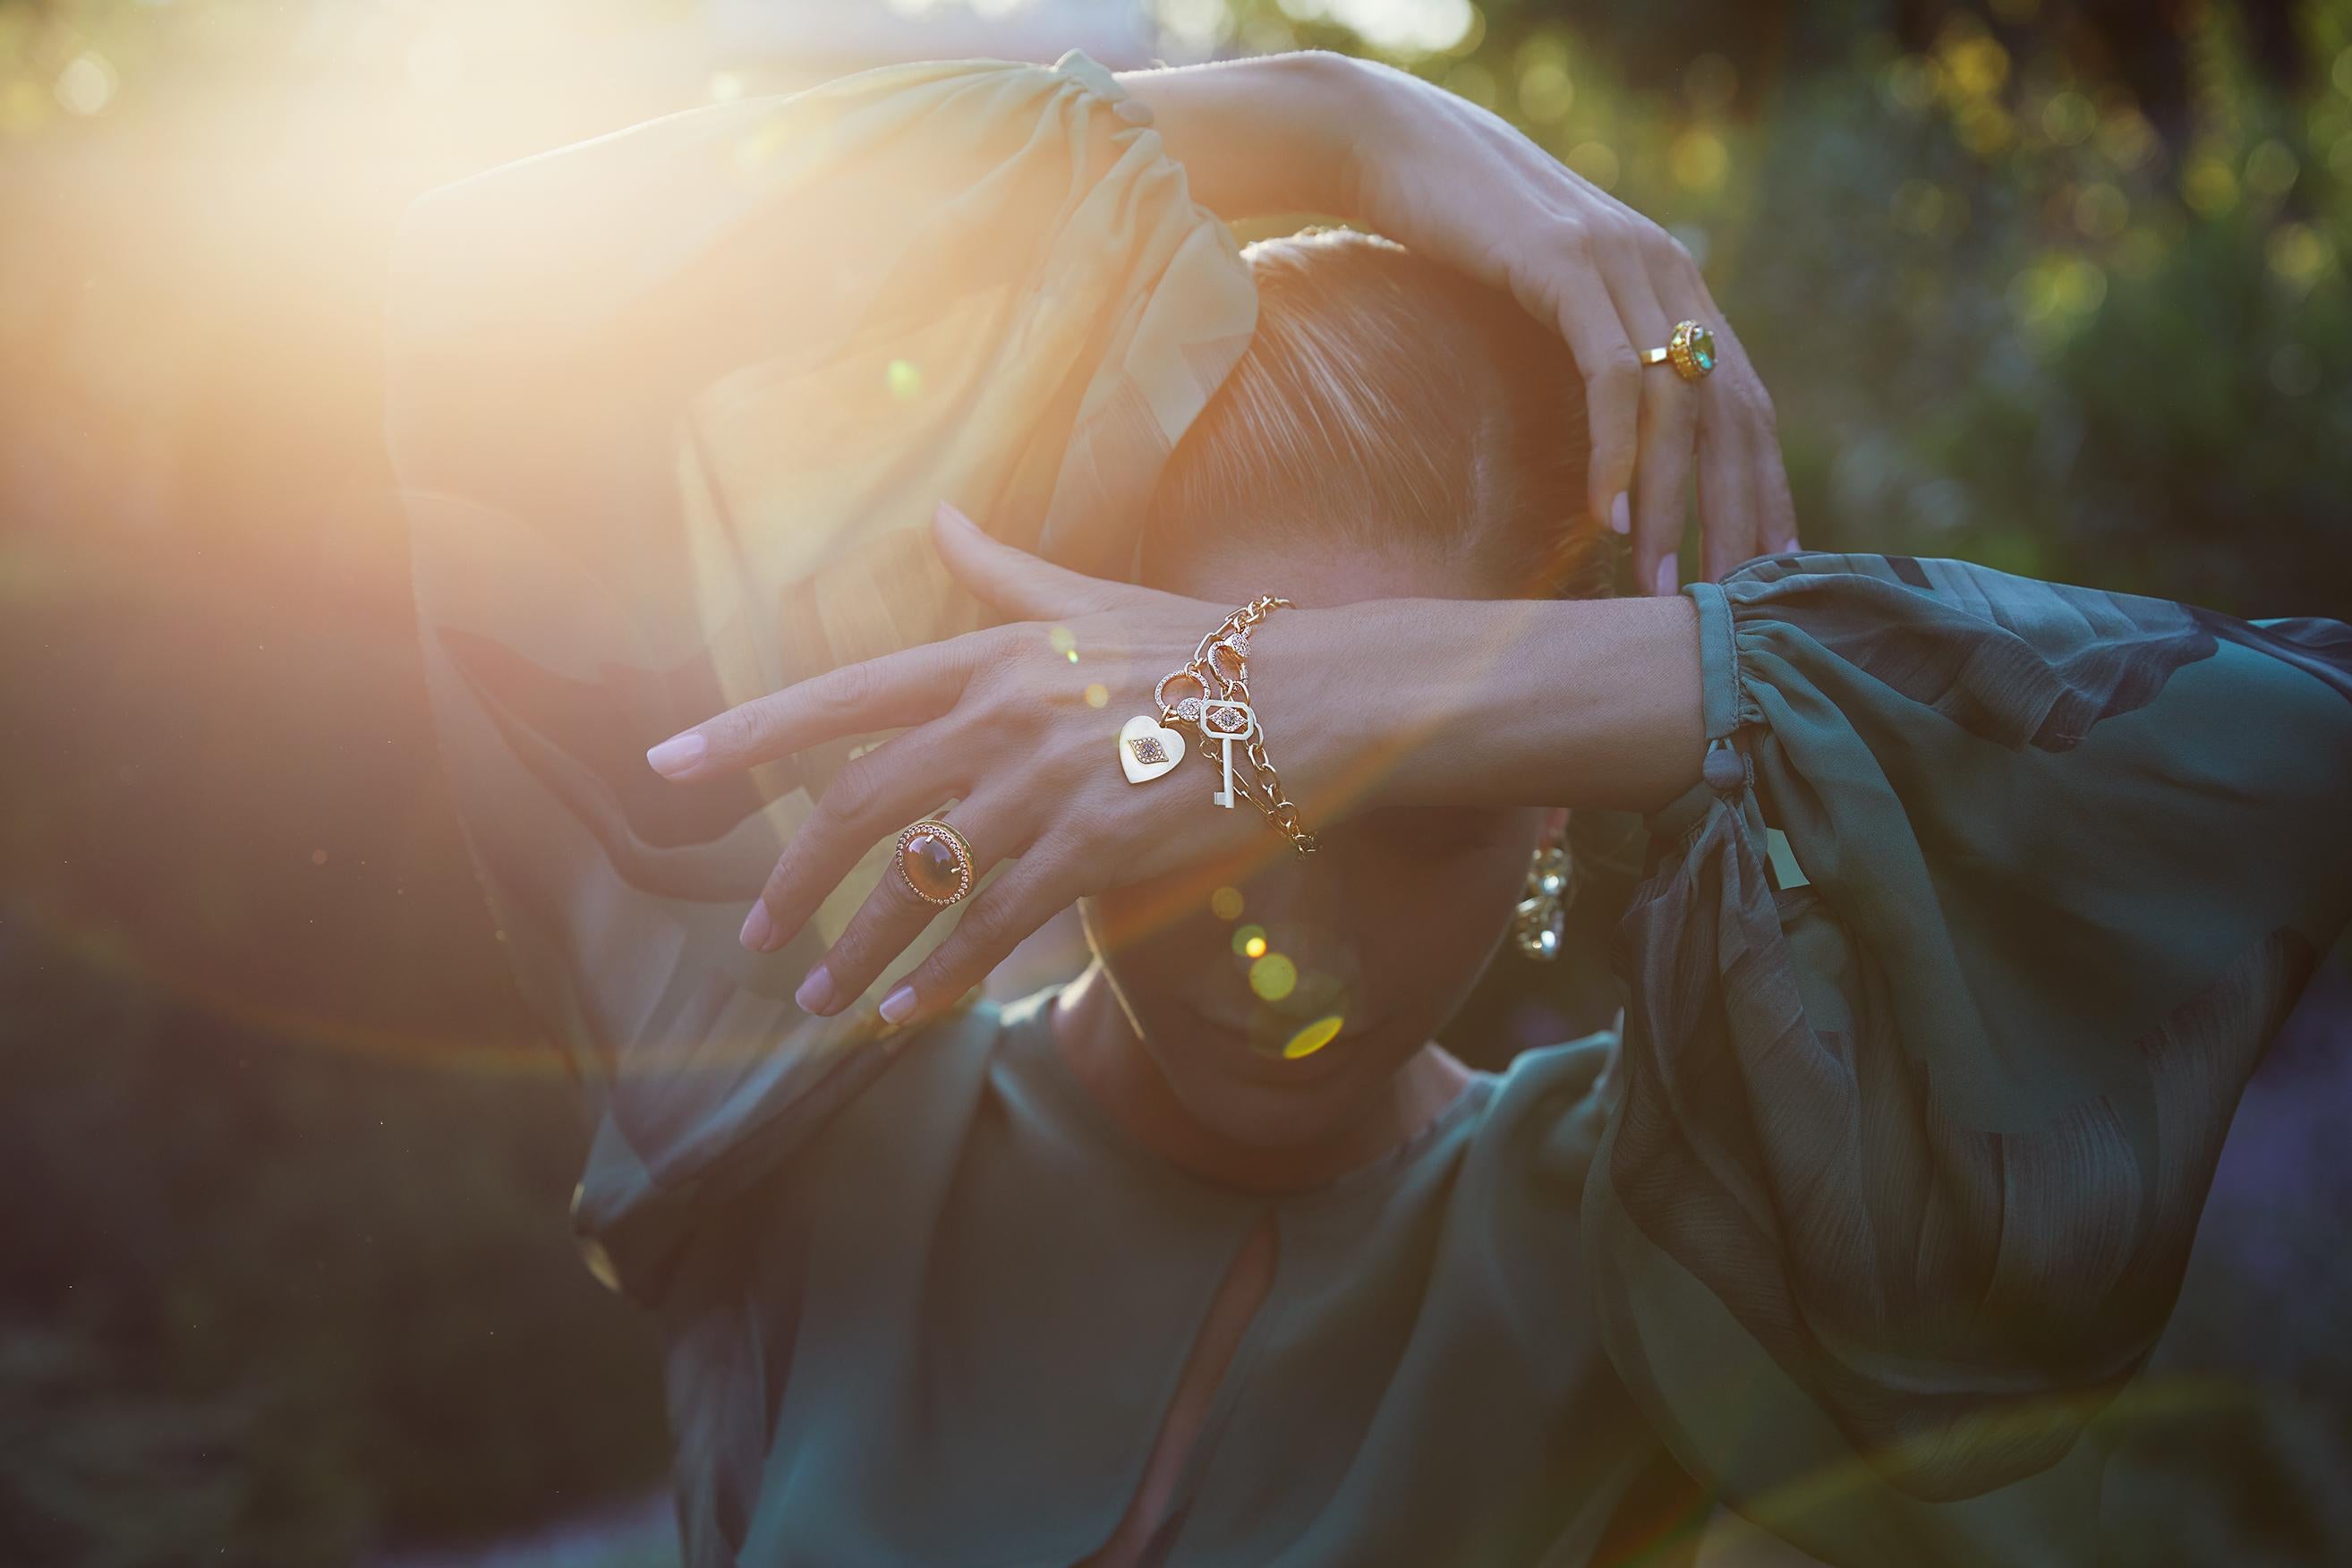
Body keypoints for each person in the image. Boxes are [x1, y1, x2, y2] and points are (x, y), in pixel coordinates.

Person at [386, 49, 2352, 1567]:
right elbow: (434, 310)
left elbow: (2298, 750)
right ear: (1036, 704)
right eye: (1183, 791)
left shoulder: (1642, 1230)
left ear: (1558, 791)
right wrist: (1334, 125)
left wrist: (1336, 698)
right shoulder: (795, 1065)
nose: (1278, 945)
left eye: (1408, 802)